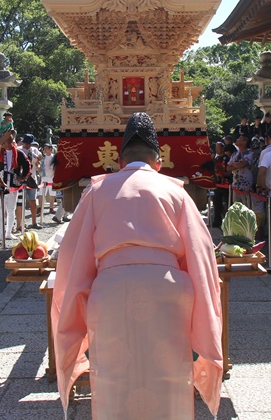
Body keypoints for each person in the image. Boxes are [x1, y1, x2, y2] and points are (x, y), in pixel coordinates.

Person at [52, 112, 223, 419]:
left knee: (113, 374)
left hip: (112, 292)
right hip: (168, 292)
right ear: (159, 162)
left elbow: (74, 260)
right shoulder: (176, 191)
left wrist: (72, 315)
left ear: (120, 162)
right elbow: (201, 258)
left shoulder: (97, 191)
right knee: (169, 373)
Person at [16, 134, 43, 229]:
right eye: (26, 143)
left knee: (33, 200)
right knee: (20, 202)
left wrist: (39, 161)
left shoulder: (34, 150)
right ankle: (20, 224)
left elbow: (39, 159)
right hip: (21, 177)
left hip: (32, 177)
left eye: (29, 144)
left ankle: (34, 222)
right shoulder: (19, 150)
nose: (27, 145)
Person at [227, 134, 253, 207]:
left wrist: (233, 164)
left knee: (246, 208)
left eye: (239, 138)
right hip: (235, 186)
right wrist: (237, 164)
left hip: (246, 187)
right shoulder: (234, 154)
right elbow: (228, 168)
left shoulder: (250, 154)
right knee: (236, 208)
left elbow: (242, 165)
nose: (237, 139)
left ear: (245, 142)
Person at [39, 144, 56, 214]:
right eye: (44, 149)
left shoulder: (54, 157)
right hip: (44, 177)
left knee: (52, 193)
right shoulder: (43, 158)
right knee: (41, 193)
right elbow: (39, 166)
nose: (45, 150)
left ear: (50, 149)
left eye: (46, 148)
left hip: (52, 177)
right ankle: (40, 207)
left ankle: (51, 208)